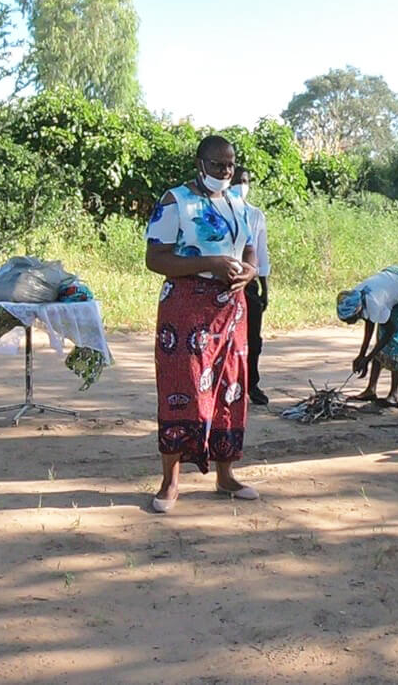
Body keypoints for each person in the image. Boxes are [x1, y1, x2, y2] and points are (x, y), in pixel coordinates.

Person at [144, 135, 260, 513]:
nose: (224, 171)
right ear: (199, 163)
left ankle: (225, 475)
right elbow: (156, 258)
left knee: (231, 386)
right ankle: (170, 482)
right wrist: (208, 263)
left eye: (229, 164)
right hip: (186, 310)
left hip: (232, 309)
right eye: (216, 165)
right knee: (183, 386)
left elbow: (248, 247)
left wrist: (251, 270)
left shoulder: (237, 201)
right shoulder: (176, 201)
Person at [336, 265, 398, 409]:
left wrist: (367, 359)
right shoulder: (357, 295)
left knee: (397, 340)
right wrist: (361, 356)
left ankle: (393, 395)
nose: (348, 323)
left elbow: (390, 331)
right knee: (380, 337)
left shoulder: (373, 302)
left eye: (349, 319)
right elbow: (370, 323)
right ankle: (371, 390)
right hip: (393, 279)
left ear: (357, 311)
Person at [231, 166, 270, 406]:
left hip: (249, 282)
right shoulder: (218, 210)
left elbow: (262, 254)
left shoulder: (256, 215)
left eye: (245, 181)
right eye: (237, 180)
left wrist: (265, 288)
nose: (241, 185)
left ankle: (251, 384)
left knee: (253, 339)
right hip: (225, 281)